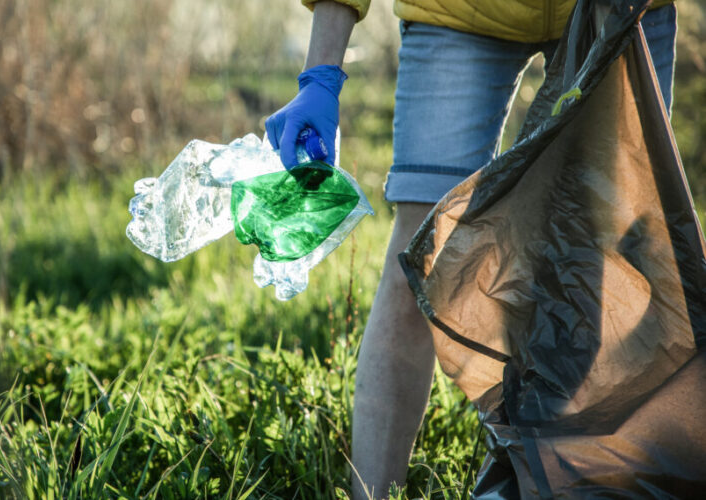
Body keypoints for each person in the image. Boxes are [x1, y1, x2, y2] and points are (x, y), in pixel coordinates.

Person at [263, 0, 677, 498]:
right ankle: (372, 494)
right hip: (458, 12)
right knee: (419, 258)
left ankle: (559, 486)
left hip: (617, 8)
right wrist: (321, 73)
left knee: (597, 271)